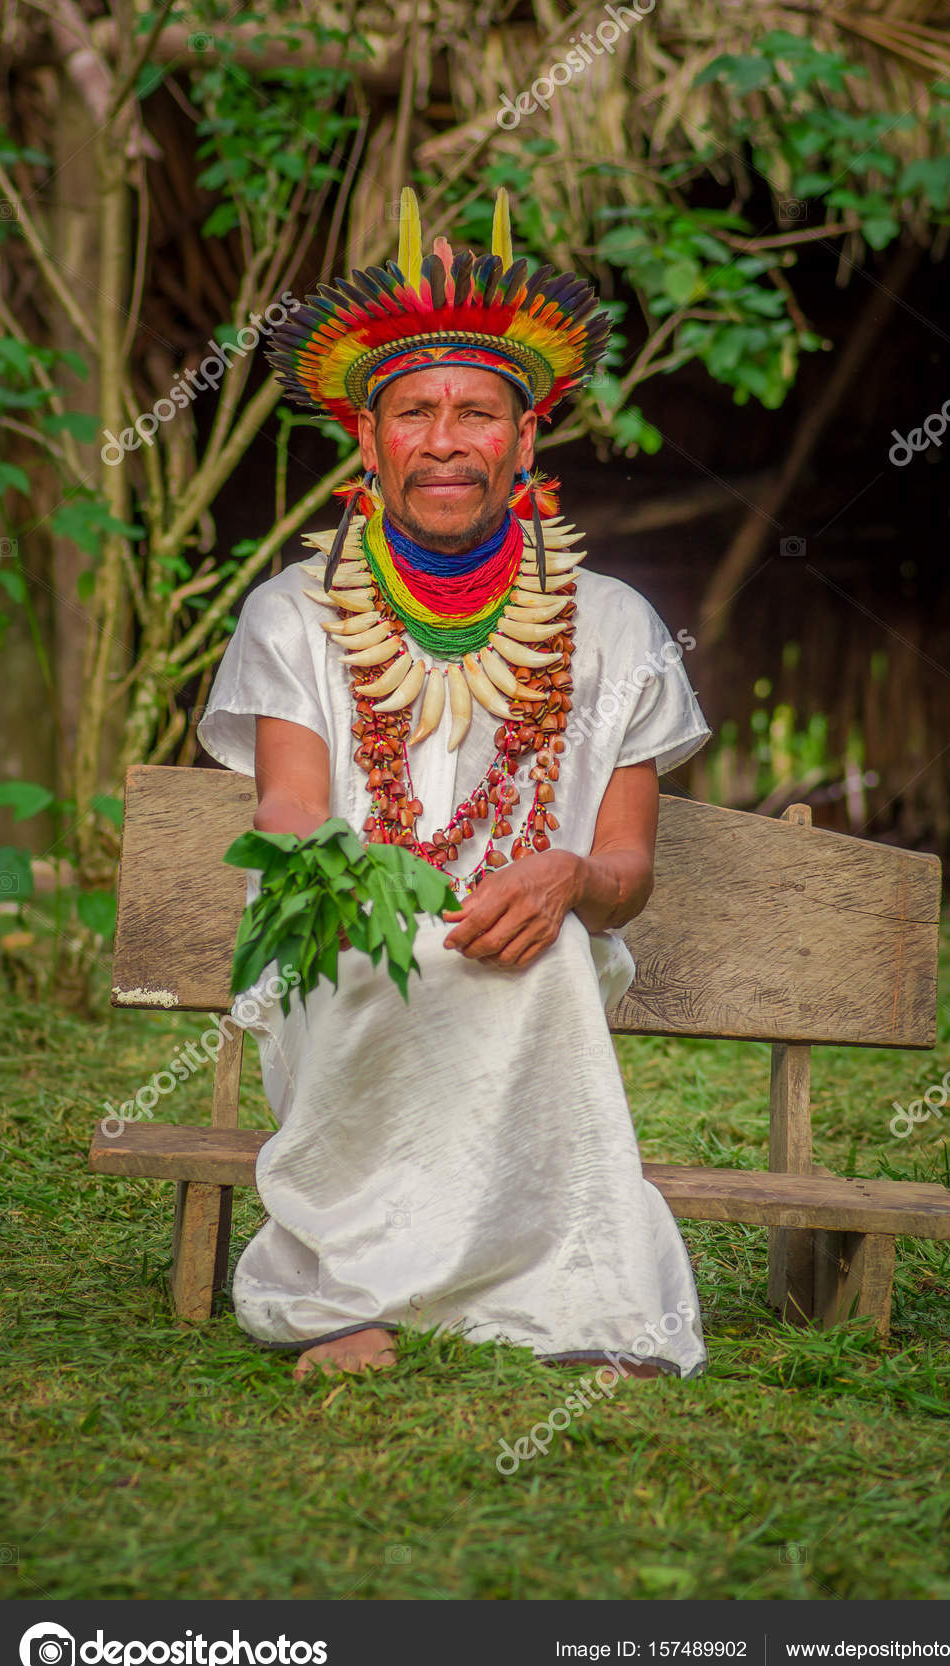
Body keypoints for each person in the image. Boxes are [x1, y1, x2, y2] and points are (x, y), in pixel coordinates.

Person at [197, 188, 712, 1386]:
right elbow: (287, 813)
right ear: (367, 442)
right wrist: (353, 878)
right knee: (392, 951)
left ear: (523, 441)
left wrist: (573, 875)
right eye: (412, 411)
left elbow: (625, 877)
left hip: (533, 955)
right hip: (348, 935)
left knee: (533, 961)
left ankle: (575, 1290)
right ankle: (342, 1297)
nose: (442, 438)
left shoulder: (617, 627)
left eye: (477, 411)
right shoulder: (292, 612)